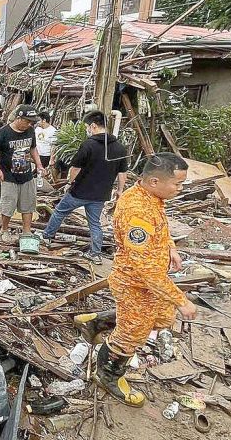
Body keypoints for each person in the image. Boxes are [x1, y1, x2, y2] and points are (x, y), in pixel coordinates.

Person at [98, 152, 198, 407]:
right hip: (134, 281)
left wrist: (171, 248)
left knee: (160, 319)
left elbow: (161, 228)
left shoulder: (152, 198)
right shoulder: (137, 212)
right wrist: (181, 300)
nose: (180, 189)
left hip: (147, 281)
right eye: (177, 184)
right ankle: (107, 374)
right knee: (133, 332)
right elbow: (146, 270)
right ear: (154, 181)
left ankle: (95, 322)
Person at [41, 110, 128, 264]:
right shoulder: (119, 148)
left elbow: (75, 168)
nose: (87, 129)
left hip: (79, 192)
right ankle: (95, 254)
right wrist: (120, 190)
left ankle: (47, 237)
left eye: (88, 126)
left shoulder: (88, 145)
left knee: (60, 212)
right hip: (100, 195)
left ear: (93, 126)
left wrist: (70, 182)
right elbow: (122, 172)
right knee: (95, 223)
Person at [0, 104, 45, 244]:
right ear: (19, 118)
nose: (29, 124)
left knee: (28, 205)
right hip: (8, 176)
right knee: (7, 205)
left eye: (31, 122)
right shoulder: (3, 133)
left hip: (26, 175)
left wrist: (38, 164)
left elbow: (33, 149)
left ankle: (27, 231)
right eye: (27, 121)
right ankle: (4, 229)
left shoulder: (30, 131)